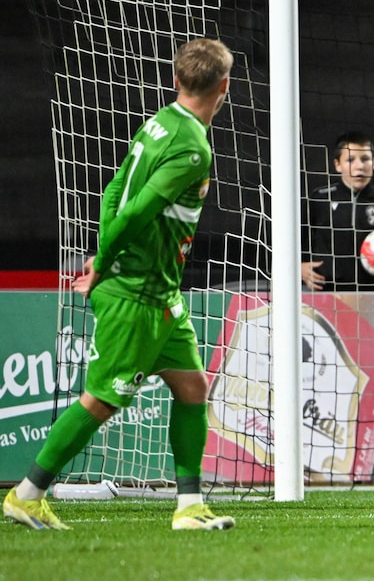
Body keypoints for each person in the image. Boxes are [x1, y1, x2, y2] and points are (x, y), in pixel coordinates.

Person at [2, 38, 236, 531]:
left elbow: (112, 190)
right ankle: (26, 494)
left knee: (193, 387)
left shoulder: (159, 123)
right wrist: (104, 264)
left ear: (176, 80)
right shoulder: (192, 148)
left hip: (161, 293)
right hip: (137, 291)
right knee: (102, 399)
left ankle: (188, 507)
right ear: (224, 87)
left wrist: (102, 250)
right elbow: (133, 212)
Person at [301, 131, 374, 291]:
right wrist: (299, 268)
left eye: (365, 159)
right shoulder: (319, 199)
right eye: (350, 159)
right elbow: (295, 242)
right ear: (337, 165)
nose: (359, 165)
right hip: (325, 293)